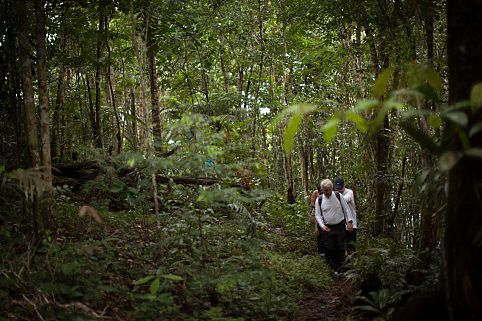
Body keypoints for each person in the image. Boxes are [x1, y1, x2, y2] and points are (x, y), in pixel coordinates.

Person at [314, 179, 354, 273]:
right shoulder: (319, 200)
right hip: (328, 228)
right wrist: (322, 226)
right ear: (322, 190)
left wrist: (349, 221)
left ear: (332, 188)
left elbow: (346, 209)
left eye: (329, 190)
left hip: (340, 225)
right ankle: (333, 268)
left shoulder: (338, 196)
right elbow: (317, 215)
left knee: (340, 248)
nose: (327, 192)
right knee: (329, 248)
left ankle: (341, 269)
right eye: (325, 190)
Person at [334, 177, 357, 254]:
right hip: (340, 224)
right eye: (337, 188)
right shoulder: (334, 194)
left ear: (344, 185)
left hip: (351, 224)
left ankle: (352, 263)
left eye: (340, 188)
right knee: (340, 246)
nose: (339, 190)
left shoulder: (349, 192)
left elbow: (345, 199)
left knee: (351, 246)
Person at [310, 185, 325, 257]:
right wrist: (318, 205)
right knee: (319, 231)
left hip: (326, 211)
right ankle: (321, 252)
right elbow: (312, 204)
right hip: (317, 210)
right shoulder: (315, 193)